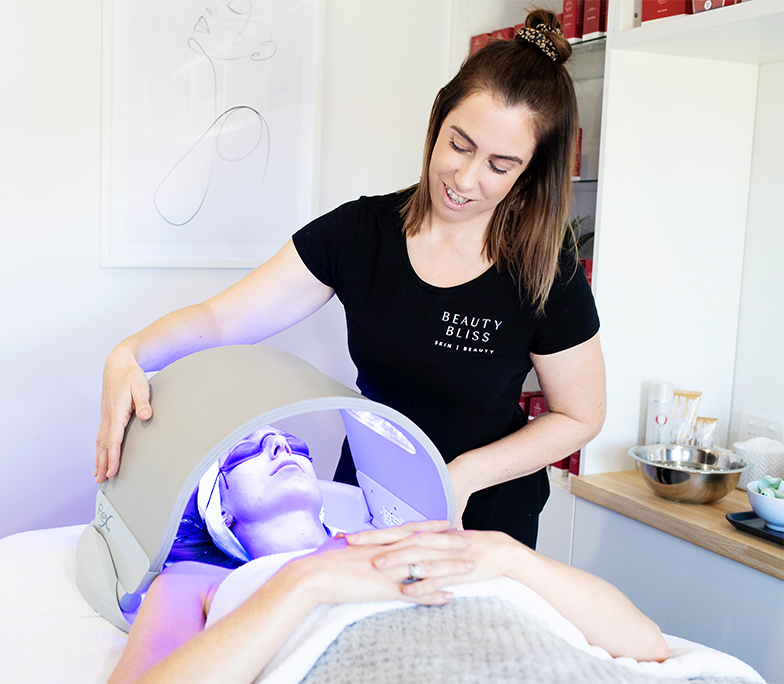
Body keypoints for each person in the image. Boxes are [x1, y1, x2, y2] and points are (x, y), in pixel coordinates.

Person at [96, 9, 605, 548]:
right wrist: (130, 353)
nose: (464, 177)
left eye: (500, 166)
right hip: (363, 501)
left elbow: (581, 415)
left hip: (483, 524)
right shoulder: (361, 233)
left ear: (529, 171)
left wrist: (462, 475)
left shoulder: (547, 276)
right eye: (459, 144)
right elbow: (220, 319)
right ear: (438, 120)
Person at [106, 425, 668, 683]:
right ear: (220, 510)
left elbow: (647, 644)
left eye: (294, 445)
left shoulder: (403, 539)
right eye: (250, 450)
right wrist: (304, 583)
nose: (281, 444)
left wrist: (509, 555)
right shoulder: (196, 581)